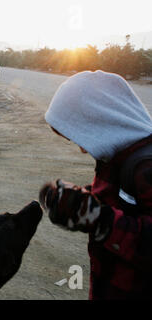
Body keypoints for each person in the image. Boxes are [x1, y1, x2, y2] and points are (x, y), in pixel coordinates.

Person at [39, 70, 152, 299]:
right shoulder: (114, 157)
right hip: (109, 283)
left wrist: (101, 221)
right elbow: (115, 200)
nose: (82, 148)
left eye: (80, 135)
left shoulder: (145, 168)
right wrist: (79, 200)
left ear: (102, 120)